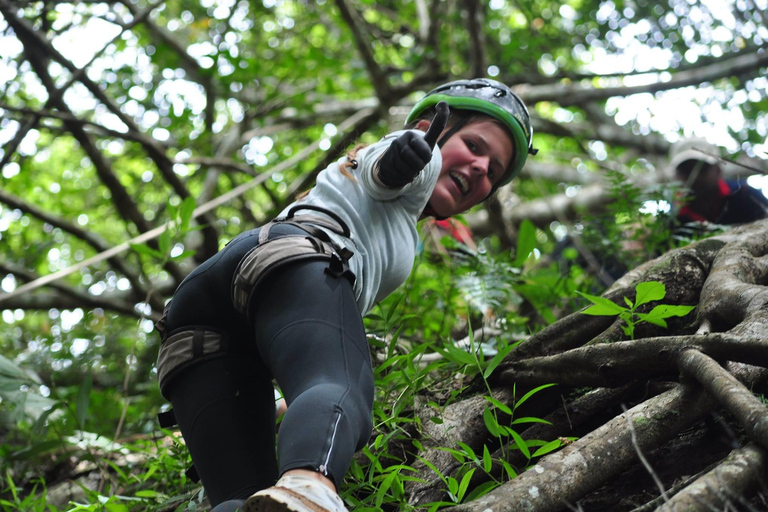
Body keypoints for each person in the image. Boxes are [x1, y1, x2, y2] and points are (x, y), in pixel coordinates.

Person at [153, 78, 537, 512]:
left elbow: (293, 326)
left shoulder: (391, 221)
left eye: (496, 171)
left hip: (198, 320)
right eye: (475, 145)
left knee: (242, 497)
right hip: (292, 258)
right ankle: (309, 487)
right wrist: (407, 154)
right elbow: (389, 165)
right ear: (435, 127)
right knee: (343, 386)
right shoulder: (414, 161)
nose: (483, 167)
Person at [669, 137, 768, 227]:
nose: (694, 177)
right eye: (686, 170)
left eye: (702, 168)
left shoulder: (746, 195)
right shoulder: (674, 219)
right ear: (675, 176)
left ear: (718, 169)